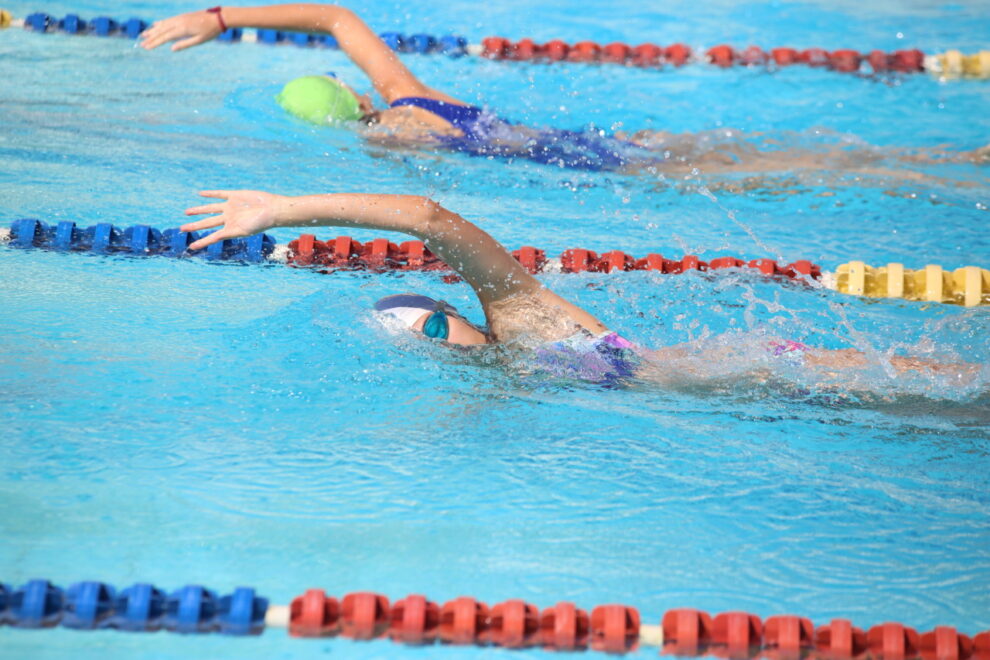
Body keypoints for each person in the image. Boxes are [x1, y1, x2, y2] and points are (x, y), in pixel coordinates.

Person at [179, 189, 978, 385]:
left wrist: (285, 208)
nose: (439, 345)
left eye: (429, 329)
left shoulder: (519, 316)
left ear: (451, 314)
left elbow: (429, 217)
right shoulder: (508, 371)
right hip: (751, 383)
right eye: (422, 344)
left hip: (767, 366)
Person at [139, 4, 987, 178]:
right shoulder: (410, 90)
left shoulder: (392, 139)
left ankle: (933, 166)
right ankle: (952, 156)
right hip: (586, 139)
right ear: (345, 89)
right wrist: (221, 14)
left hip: (594, 169)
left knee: (793, 172)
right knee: (789, 158)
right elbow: (334, 15)